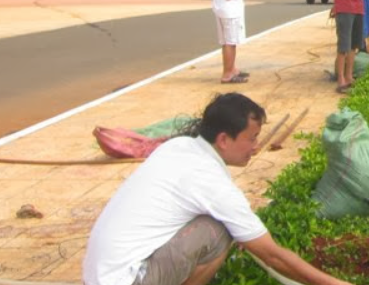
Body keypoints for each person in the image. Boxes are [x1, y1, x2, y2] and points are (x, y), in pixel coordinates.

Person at [83, 93, 353, 285]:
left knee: (212, 222)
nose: (256, 147)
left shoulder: (178, 147)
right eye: (252, 138)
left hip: (101, 275)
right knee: (218, 230)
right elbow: (271, 254)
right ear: (224, 139)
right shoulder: (210, 181)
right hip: (128, 279)